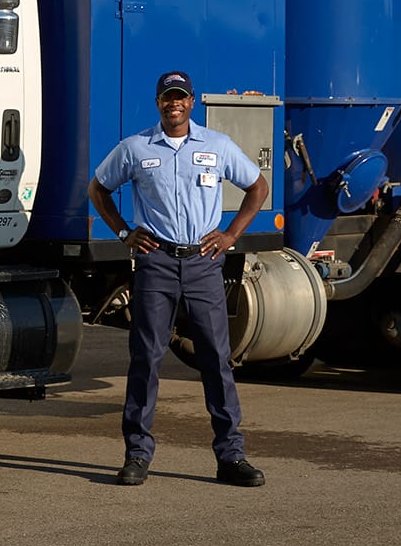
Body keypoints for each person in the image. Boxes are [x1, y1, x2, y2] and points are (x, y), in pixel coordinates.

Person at [87, 70, 272, 488]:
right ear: (158, 102)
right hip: (156, 265)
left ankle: (231, 457)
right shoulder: (135, 148)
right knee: (146, 359)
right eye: (167, 97)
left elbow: (257, 188)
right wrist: (122, 232)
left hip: (204, 265)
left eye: (181, 97)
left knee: (216, 361)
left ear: (192, 103)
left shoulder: (217, 145)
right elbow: (97, 189)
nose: (174, 104)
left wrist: (230, 235)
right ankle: (137, 455)